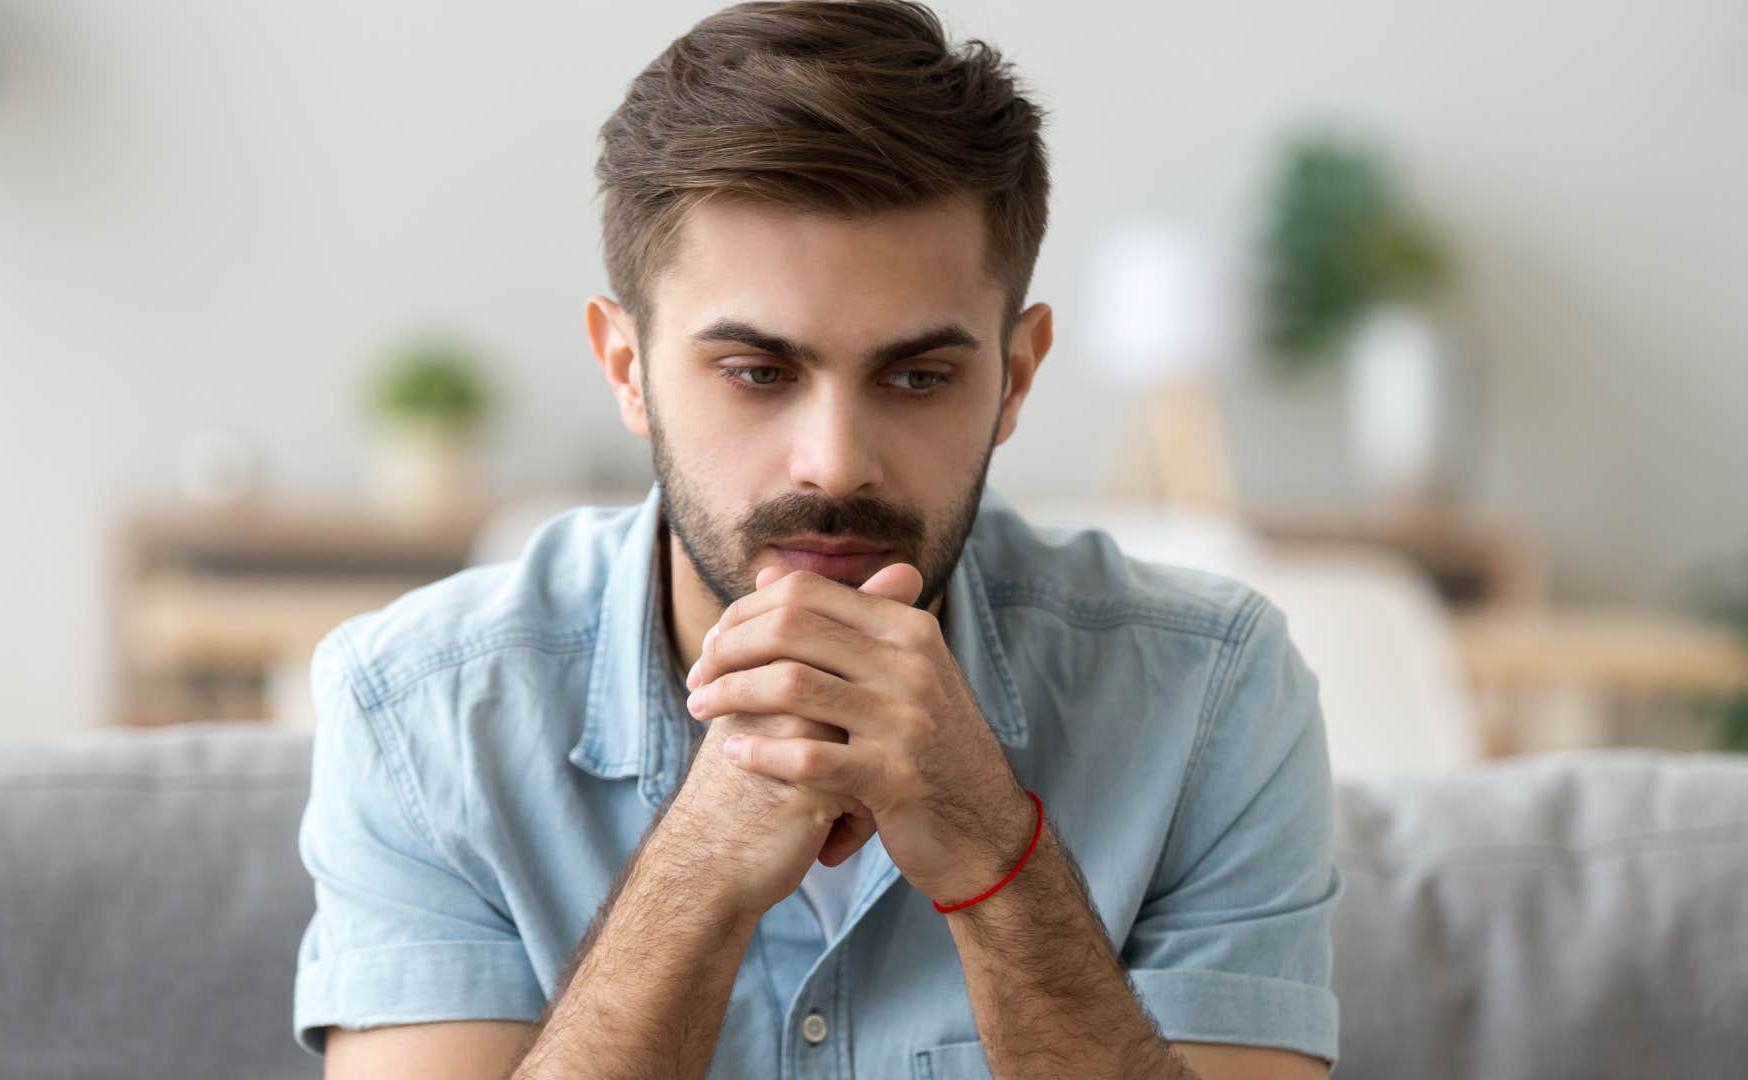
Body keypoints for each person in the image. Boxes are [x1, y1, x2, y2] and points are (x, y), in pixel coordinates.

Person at [292, 2, 1342, 1077]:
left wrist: (997, 855)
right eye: (757, 373)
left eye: (918, 376)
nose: (835, 463)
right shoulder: (417, 713)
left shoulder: (1213, 696)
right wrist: (697, 873)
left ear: (1015, 378)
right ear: (627, 369)